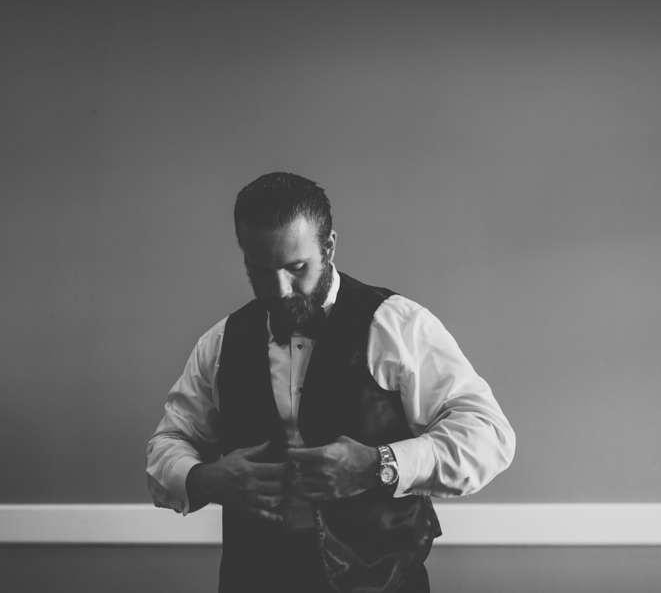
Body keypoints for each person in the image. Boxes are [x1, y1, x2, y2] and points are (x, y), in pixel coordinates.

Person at [146, 172, 515, 593]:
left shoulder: (397, 325)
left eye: (296, 267)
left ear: (330, 247)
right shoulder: (220, 342)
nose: (280, 289)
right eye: (261, 271)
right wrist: (204, 480)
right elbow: (167, 444)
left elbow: (489, 436)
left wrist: (381, 465)